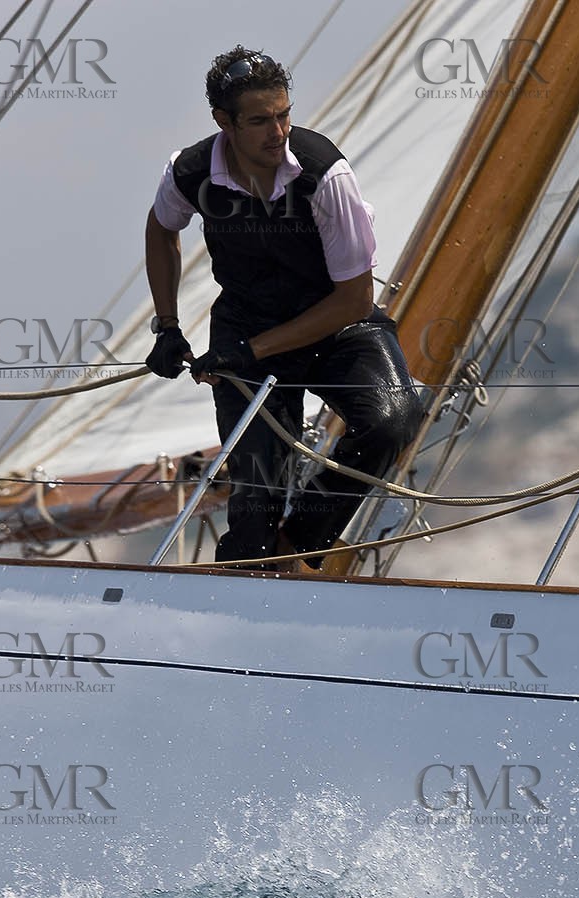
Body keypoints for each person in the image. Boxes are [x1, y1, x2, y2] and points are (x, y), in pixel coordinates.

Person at [144, 45, 423, 570]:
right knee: (254, 505)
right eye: (259, 121)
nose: (277, 133)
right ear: (223, 122)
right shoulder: (189, 172)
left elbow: (354, 299)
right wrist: (168, 326)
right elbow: (162, 228)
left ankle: (300, 542)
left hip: (337, 325)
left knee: (394, 419)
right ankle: (252, 572)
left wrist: (249, 353)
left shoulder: (324, 176)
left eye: (284, 115)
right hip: (248, 324)